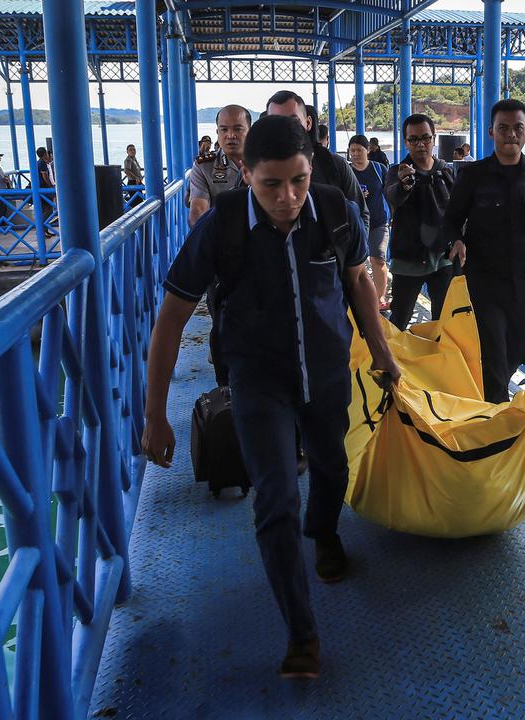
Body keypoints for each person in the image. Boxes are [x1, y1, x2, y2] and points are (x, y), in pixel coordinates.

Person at [141, 115, 400, 679]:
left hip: (328, 373)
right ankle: (301, 633)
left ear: (312, 169)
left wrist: (382, 352)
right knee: (276, 498)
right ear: (245, 174)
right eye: (271, 185)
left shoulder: (335, 211)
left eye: (299, 181)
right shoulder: (222, 227)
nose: (287, 198)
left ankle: (325, 532)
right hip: (257, 382)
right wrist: (155, 413)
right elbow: (170, 318)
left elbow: (358, 283)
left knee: (332, 468)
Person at [441, 99, 525, 404]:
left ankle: (489, 406)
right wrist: (456, 241)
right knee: (493, 356)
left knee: (516, 353)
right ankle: (495, 427)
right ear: (491, 132)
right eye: (503, 128)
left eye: (518, 127)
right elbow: (450, 221)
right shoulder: (472, 176)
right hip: (483, 284)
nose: (510, 134)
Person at [383, 113, 456, 331]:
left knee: (443, 322)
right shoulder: (398, 172)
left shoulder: (445, 170)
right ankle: (391, 363)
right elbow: (392, 196)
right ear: (406, 142)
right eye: (413, 139)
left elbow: (458, 211)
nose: (421, 144)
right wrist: (405, 184)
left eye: (425, 138)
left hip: (443, 258)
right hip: (408, 260)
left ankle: (437, 363)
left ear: (434, 138)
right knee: (399, 320)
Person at [265, 91, 369, 232]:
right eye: (276, 122)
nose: (285, 128)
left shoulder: (335, 165)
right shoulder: (257, 170)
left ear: (308, 123)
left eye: (293, 121)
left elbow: (360, 213)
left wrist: (355, 252)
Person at [348, 134, 391, 310]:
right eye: (352, 150)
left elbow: (391, 192)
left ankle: (379, 298)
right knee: (355, 262)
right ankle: (357, 297)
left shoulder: (378, 169)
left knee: (378, 259)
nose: (356, 154)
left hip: (379, 221)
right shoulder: (346, 171)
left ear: (368, 151)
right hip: (355, 224)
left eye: (359, 150)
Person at [189, 105, 251, 228]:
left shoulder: (264, 163)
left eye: (238, 129)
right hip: (220, 236)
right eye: (224, 130)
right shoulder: (204, 167)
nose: (231, 135)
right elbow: (198, 212)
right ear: (217, 133)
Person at [35, 147, 56, 238]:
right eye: (47, 154)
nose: (48, 155)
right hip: (44, 190)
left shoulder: (40, 163)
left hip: (42, 189)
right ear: (44, 154)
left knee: (46, 210)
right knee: (48, 210)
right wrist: (50, 186)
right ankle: (42, 230)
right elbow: (45, 176)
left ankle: (44, 230)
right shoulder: (42, 163)